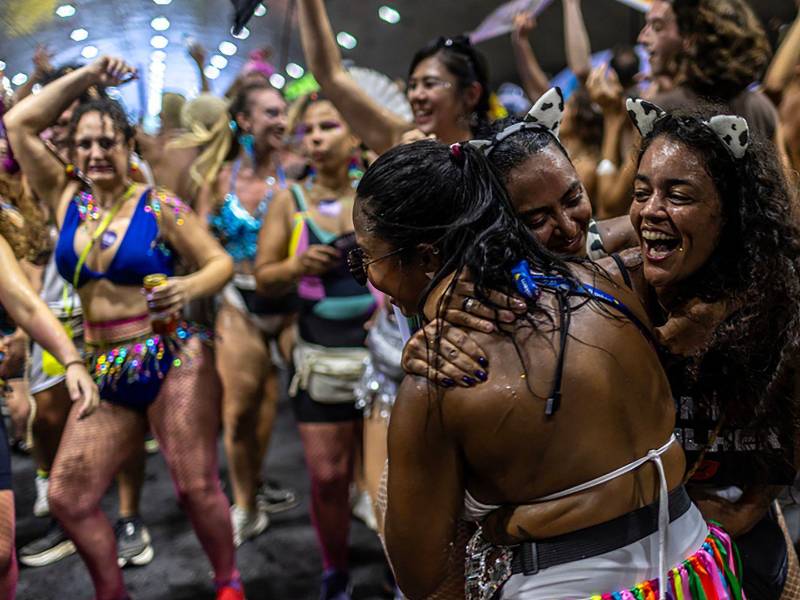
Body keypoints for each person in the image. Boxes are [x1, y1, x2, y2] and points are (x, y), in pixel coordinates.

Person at [431, 100, 800, 599]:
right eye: (642, 191)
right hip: (630, 555)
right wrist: (452, 303)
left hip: (735, 549)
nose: (651, 210)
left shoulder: (778, 301)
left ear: (729, 209)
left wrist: (752, 505)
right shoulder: (617, 281)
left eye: (678, 193)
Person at [353, 138, 741, 599]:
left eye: (366, 260)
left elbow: (428, 582)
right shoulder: (607, 283)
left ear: (425, 257)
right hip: (698, 572)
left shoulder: (441, 378)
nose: (371, 279)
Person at [4, 56, 246, 600]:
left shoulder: (158, 204)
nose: (95, 153)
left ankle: (229, 583)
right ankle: (112, 591)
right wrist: (88, 76)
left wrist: (187, 288)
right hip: (104, 367)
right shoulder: (67, 199)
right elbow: (19, 124)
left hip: (172, 357)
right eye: (84, 143)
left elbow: (219, 263)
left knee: (196, 487)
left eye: (107, 142)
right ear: (71, 150)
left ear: (128, 143)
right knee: (68, 496)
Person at [255, 93, 376, 600]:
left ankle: (400, 569)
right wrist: (296, 267)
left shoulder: (374, 195)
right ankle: (335, 571)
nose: (318, 137)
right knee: (328, 478)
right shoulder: (289, 200)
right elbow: (263, 278)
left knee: (388, 480)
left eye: (329, 126)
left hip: (379, 354)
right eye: (309, 130)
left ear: (353, 136)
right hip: (320, 352)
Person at [188, 79, 299, 546]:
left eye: (283, 112)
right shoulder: (218, 179)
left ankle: (255, 482)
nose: (280, 120)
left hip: (291, 304)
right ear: (245, 121)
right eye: (270, 113)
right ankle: (245, 506)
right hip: (238, 302)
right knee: (238, 413)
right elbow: (197, 245)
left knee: (271, 411)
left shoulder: (300, 175)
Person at [297, 0, 491, 152]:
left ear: (471, 94)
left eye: (430, 84)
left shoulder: (497, 154)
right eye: (413, 85)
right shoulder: (402, 140)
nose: (416, 96)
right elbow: (330, 74)